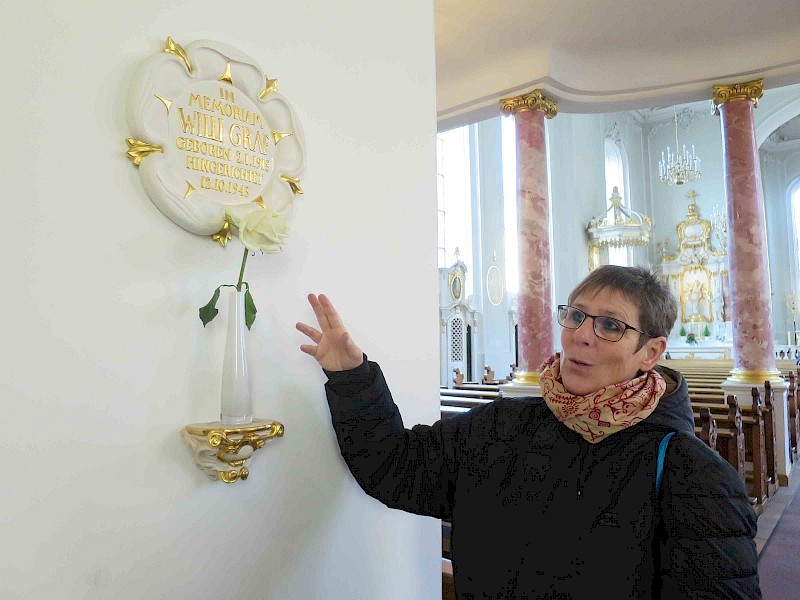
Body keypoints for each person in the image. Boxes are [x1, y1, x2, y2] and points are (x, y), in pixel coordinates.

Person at [296, 266, 760, 599]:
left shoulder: (693, 475)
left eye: (610, 325)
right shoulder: (501, 426)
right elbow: (396, 468)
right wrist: (352, 377)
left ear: (651, 352)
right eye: (576, 315)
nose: (581, 334)